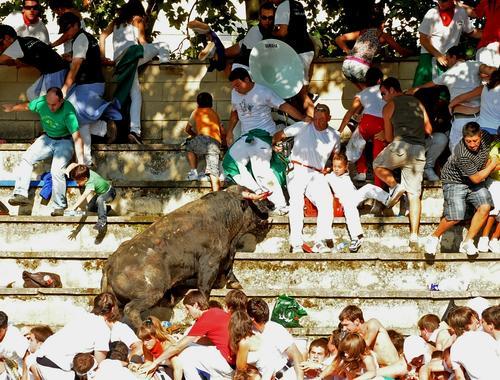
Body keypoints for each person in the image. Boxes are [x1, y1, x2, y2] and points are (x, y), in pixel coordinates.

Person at [223, 67, 307, 215]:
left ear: (247, 80)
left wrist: (303, 118)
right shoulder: (235, 93)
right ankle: (259, 192)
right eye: (233, 86)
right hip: (245, 137)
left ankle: (281, 205)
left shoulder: (263, 91)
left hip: (263, 136)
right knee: (229, 162)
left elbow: (284, 106)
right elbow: (235, 114)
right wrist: (229, 131)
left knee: (260, 170)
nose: (235, 88)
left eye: (238, 84)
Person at [2, 87, 84, 216]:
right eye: (48, 104)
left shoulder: (68, 112)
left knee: (56, 170)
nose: (51, 108)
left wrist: (81, 162)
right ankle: (20, 194)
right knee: (26, 158)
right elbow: (28, 106)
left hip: (64, 141)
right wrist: (12, 108)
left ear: (61, 101)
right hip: (47, 138)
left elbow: (77, 138)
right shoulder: (41, 103)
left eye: (54, 105)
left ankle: (59, 206)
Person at [373, 77, 433, 249]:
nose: (383, 97)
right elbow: (429, 129)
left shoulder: (389, 106)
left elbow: (390, 137)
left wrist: (386, 135)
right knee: (415, 195)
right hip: (419, 151)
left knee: (377, 165)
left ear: (392, 90)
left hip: (400, 146)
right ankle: (414, 235)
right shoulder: (417, 103)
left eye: (383, 93)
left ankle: (395, 187)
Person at [273, 103, 340, 253]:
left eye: (322, 119)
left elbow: (336, 156)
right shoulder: (303, 126)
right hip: (297, 168)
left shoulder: (335, 135)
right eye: (316, 118)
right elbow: (280, 135)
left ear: (329, 118)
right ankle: (296, 242)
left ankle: (320, 241)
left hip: (316, 172)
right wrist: (275, 143)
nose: (318, 122)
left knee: (326, 201)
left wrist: (330, 167)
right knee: (296, 202)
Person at [424, 122, 497, 256]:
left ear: (481, 135)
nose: (472, 144)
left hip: (474, 179)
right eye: (468, 141)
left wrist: (490, 159)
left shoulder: (486, 136)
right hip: (455, 181)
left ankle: (467, 242)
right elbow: (476, 179)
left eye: (475, 140)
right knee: (456, 215)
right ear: (463, 138)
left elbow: (496, 138)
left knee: (486, 206)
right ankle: (433, 237)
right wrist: (492, 164)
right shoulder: (461, 153)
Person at [58, 12, 121, 165]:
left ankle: (101, 130)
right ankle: (88, 154)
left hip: (89, 85)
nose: (66, 34)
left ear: (75, 25)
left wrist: (64, 89)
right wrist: (71, 57)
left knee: (74, 117)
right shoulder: (86, 37)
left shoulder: (80, 39)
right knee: (78, 120)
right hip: (91, 84)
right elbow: (87, 58)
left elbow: (76, 66)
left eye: (67, 30)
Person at [409, 46, 496, 151]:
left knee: (457, 157)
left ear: (453, 57)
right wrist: (487, 78)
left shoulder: (448, 74)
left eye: (447, 58)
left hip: (460, 120)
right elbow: (493, 71)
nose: (446, 62)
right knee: (479, 155)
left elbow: (429, 85)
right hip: (479, 119)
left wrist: (413, 89)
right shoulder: (475, 65)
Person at [99, 0, 163, 144]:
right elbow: (142, 42)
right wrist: (152, 54)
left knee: (134, 93)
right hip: (131, 57)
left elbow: (102, 36)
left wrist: (102, 56)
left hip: (119, 62)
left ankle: (131, 129)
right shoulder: (137, 19)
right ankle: (135, 131)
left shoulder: (116, 22)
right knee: (160, 47)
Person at [140, 290, 234, 380]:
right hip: (233, 360)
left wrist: (155, 362)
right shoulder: (217, 312)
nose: (187, 312)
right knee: (189, 347)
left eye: (188, 308)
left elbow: (177, 347)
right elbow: (213, 341)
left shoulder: (205, 318)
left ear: (196, 305)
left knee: (184, 354)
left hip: (225, 362)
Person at [34, 292, 117, 380]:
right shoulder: (102, 329)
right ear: (112, 309)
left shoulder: (81, 315)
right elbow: (99, 363)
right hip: (56, 367)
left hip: (40, 358)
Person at [325, 151, 390, 252]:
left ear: (345, 167)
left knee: (368, 187)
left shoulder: (347, 173)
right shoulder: (330, 177)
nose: (336, 169)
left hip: (355, 197)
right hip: (345, 203)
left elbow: (350, 165)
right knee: (349, 207)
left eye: (339, 167)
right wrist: (325, 171)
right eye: (334, 166)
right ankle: (356, 238)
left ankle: (388, 199)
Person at [335, 8, 413, 90]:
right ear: (382, 24)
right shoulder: (383, 35)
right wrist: (412, 52)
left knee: (364, 94)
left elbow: (338, 39)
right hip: (360, 66)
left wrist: (348, 51)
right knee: (372, 93)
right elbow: (401, 51)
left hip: (347, 64)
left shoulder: (363, 32)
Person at [413, 0, 480, 86]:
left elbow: (471, 31)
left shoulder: (461, 12)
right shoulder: (432, 13)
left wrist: (491, 35)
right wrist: (438, 55)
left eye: (444, 1)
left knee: (445, 93)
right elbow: (423, 39)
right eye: (439, 1)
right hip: (429, 56)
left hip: (449, 59)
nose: (441, 3)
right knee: (421, 90)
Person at [339, 68, 386, 188]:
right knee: (378, 157)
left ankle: (361, 172)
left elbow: (349, 114)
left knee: (358, 144)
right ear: (380, 80)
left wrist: (339, 130)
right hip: (382, 125)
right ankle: (378, 185)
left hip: (366, 123)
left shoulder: (362, 94)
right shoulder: (385, 90)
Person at [270, 0, 315, 117]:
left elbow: (283, 31)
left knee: (300, 94)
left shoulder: (282, 6)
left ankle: (314, 126)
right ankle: (310, 125)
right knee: (302, 94)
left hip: (297, 52)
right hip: (307, 49)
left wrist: (272, 33)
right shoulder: (297, 5)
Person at [0, 25, 68, 101]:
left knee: (47, 101)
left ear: (7, 37)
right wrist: (23, 63)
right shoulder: (27, 39)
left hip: (55, 72)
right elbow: (37, 56)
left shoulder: (14, 48)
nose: (2, 47)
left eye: (1, 42)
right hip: (55, 70)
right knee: (32, 93)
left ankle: (47, 112)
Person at [338, 305, 408, 378]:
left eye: (346, 325)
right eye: (343, 326)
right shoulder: (357, 337)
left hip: (394, 367)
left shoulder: (373, 323)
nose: (344, 329)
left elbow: (362, 346)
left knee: (367, 374)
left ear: (357, 321)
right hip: (381, 371)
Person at [246, 298, 304, 380]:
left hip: (284, 375)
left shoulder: (276, 329)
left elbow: (296, 356)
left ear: (251, 318)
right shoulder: (249, 332)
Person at [447, 306, 500, 379]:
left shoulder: (454, 347)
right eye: (474, 318)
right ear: (467, 323)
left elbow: (459, 376)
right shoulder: (484, 336)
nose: (477, 321)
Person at [184, 92, 223, 191]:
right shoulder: (215, 113)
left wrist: (195, 135)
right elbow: (222, 130)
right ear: (211, 103)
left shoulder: (196, 112)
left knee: (189, 146)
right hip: (215, 143)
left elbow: (187, 129)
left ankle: (193, 172)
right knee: (214, 173)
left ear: (198, 103)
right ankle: (216, 194)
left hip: (203, 138)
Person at [225, 2, 275, 72]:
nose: (267, 21)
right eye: (264, 17)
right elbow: (254, 58)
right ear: (259, 17)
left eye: (270, 18)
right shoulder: (255, 31)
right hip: (243, 69)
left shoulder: (273, 32)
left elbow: (239, 46)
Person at [66, 163, 116, 233]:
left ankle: (102, 222)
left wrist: (73, 207)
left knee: (100, 199)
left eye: (78, 182)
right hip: (100, 194)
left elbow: (84, 195)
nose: (77, 184)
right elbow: (76, 165)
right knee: (90, 208)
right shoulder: (86, 172)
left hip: (110, 193)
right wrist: (68, 170)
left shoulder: (90, 183)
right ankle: (107, 209)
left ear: (85, 179)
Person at [138, 316, 180, 380]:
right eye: (143, 340)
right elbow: (149, 363)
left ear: (156, 335)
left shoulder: (166, 344)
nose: (144, 343)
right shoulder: (146, 345)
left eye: (147, 339)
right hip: (170, 368)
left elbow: (178, 368)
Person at [0, 311, 29, 380]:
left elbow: (27, 356)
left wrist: (24, 377)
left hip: (17, 370)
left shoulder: (14, 336)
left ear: (5, 327)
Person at [471, 0, 500, 67]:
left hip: (494, 46)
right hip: (485, 46)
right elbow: (475, 13)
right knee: (484, 74)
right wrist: (457, 6)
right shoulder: (486, 2)